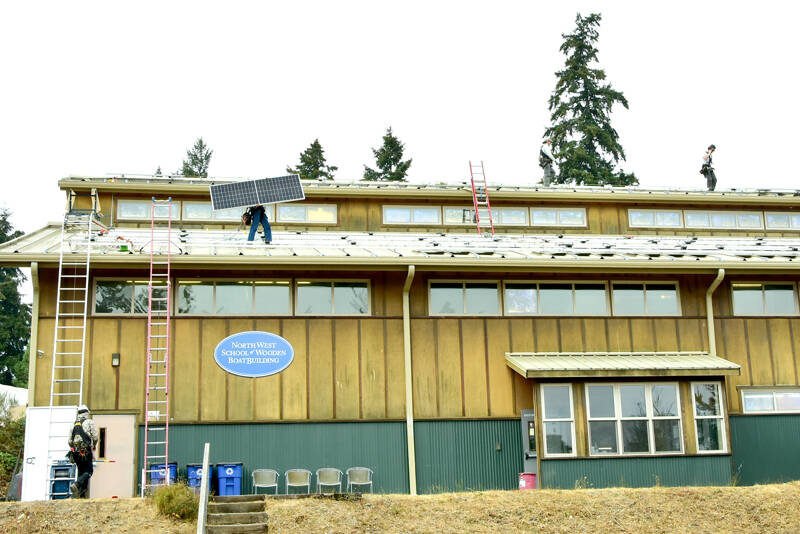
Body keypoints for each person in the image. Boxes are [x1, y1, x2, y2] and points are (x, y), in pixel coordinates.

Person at [68, 405, 98, 498]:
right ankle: (76, 485)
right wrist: (94, 446)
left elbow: (69, 441)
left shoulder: (73, 424)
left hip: (76, 452)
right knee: (89, 471)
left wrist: (74, 447)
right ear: (86, 413)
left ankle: (80, 495)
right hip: (85, 450)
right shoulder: (89, 422)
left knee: (81, 471)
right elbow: (95, 437)